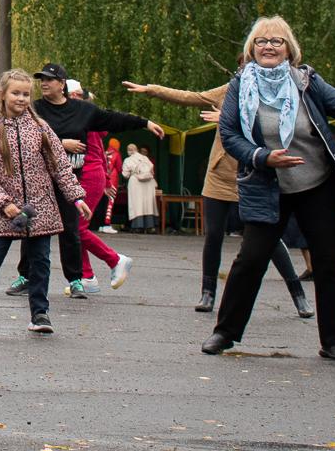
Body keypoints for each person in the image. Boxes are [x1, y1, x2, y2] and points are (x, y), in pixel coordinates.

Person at [203, 17, 335, 361]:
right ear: (251, 49)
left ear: (290, 49)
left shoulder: (306, 81)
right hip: (266, 184)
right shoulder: (239, 86)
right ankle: (225, 333)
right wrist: (261, 157)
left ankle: (333, 340)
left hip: (314, 185)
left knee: (327, 261)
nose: (269, 46)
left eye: (277, 41)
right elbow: (229, 135)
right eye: (261, 41)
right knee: (250, 260)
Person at [121, 75, 311, 317]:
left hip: (253, 175)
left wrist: (228, 119)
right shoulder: (231, 88)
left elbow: (280, 126)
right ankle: (207, 293)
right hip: (219, 175)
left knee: (268, 239)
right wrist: (152, 89)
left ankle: (298, 294)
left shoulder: (276, 93)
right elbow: (192, 97)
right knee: (213, 235)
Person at [4, 64, 161, 299]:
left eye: (49, 79)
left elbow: (113, 119)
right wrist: (60, 143)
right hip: (39, 180)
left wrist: (145, 123)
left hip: (69, 179)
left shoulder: (82, 110)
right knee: (32, 228)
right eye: (41, 80)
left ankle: (77, 280)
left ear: (62, 83)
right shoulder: (34, 109)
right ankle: (26, 276)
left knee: (71, 230)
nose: (44, 83)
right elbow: (20, 134)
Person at [0, 70, 88, 335]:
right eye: (16, 93)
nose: (22, 98)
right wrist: (5, 204)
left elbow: (59, 165)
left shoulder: (40, 128)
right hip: (6, 211)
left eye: (26, 94)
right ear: (3, 94)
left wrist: (76, 195)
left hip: (40, 208)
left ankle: (40, 313)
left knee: (40, 261)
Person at [120, 143, 157, 232]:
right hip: (149, 183)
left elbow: (125, 174)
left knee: (136, 204)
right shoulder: (145, 158)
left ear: (129, 151)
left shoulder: (128, 160)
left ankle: (137, 226)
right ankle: (150, 227)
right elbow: (152, 170)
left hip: (135, 182)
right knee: (148, 205)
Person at [98, 137, 123, 233]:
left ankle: (100, 225)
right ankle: (107, 224)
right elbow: (119, 168)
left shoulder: (104, 153)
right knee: (110, 201)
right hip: (112, 179)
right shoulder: (117, 154)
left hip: (102, 178)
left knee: (102, 201)